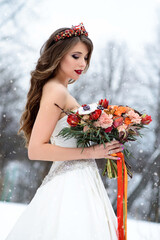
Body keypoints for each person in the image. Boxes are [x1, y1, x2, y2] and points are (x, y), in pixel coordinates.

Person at [6, 22, 123, 240]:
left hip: (78, 179)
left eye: (86, 58)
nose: (83, 63)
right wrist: (91, 152)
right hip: (69, 184)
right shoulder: (56, 91)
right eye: (76, 56)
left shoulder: (60, 89)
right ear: (59, 55)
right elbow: (36, 150)